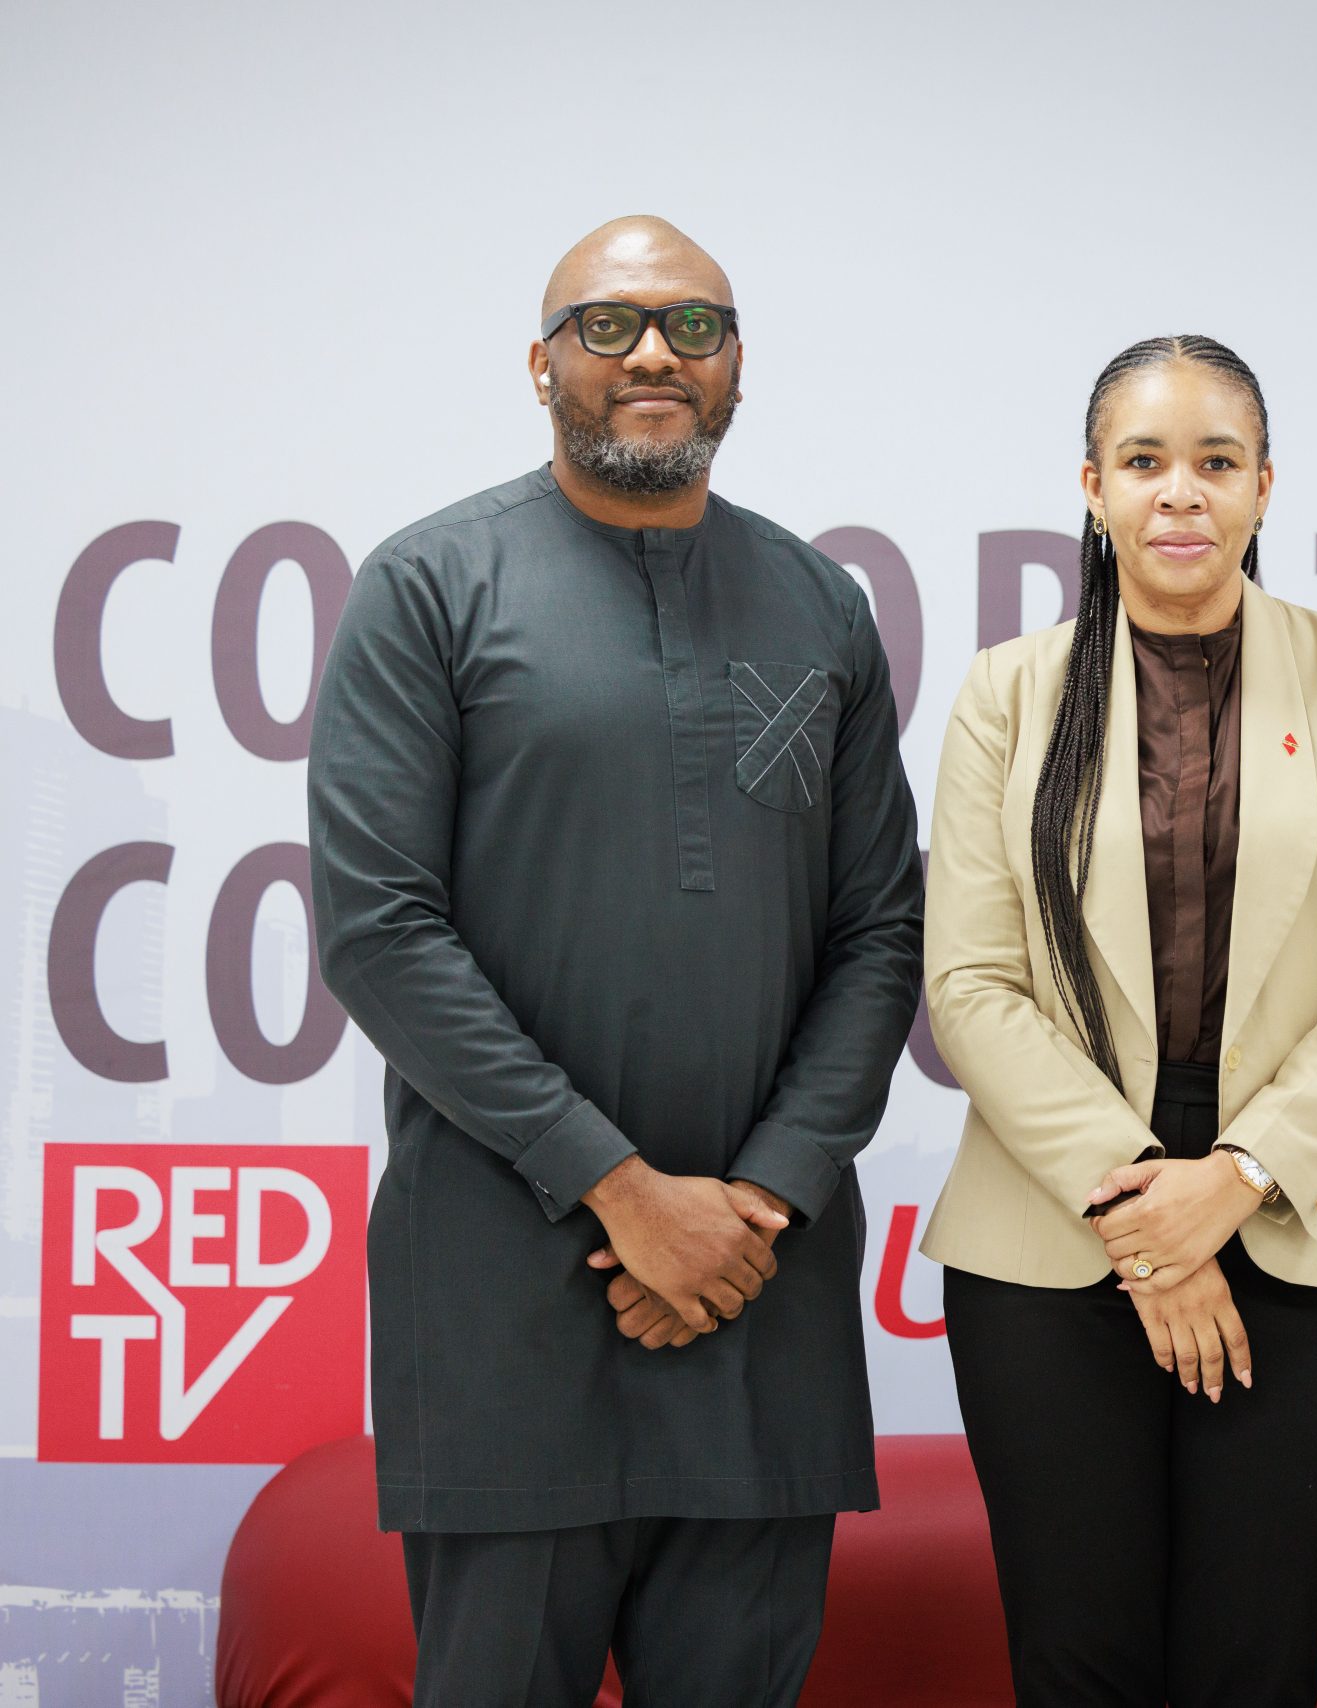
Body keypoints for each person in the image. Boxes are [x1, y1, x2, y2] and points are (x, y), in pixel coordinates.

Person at [308, 215, 923, 1707]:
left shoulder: (821, 605)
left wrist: (755, 1205)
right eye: (609, 324)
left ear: (735, 372)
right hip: (509, 1305)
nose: (654, 352)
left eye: (693, 327)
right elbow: (379, 928)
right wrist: (627, 1194)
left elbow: (880, 931)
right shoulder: (429, 586)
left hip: (758, 1309)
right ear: (541, 365)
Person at [919, 334, 1317, 1707]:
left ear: (1265, 488)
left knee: (1255, 1662)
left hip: (1301, 1210)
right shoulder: (1006, 694)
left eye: (1216, 463)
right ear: (1092, 486)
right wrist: (1148, 1221)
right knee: (1077, 1657)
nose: (1182, 495)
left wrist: (1236, 1180)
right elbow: (972, 983)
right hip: (1053, 1227)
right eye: (1147, 463)